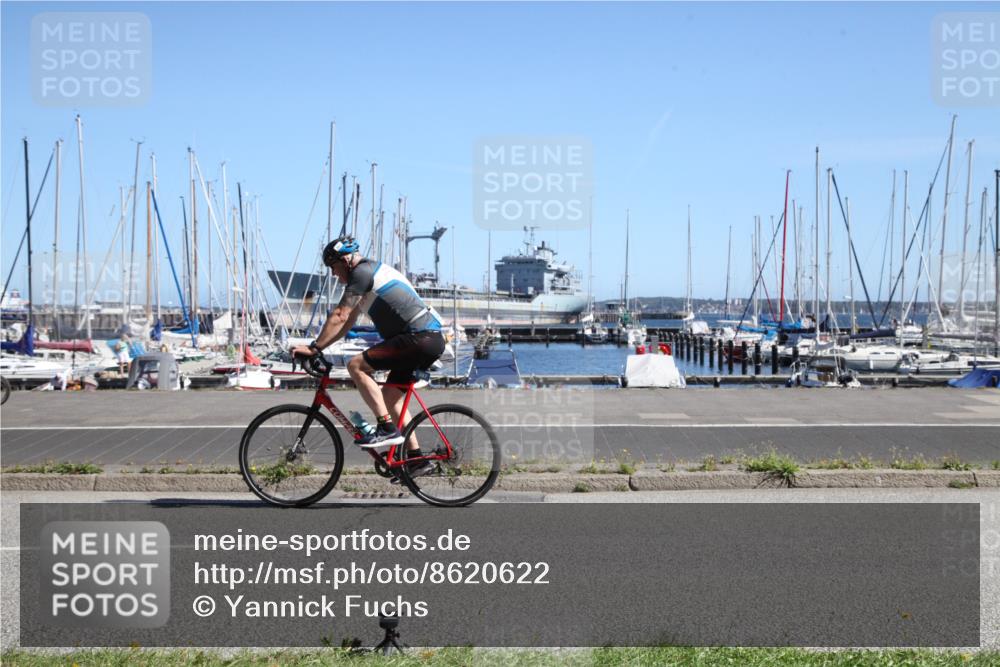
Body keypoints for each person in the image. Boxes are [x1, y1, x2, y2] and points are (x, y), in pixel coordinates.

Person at [290, 236, 445, 476]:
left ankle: (385, 428)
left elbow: (340, 314)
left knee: (356, 366)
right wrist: (320, 347)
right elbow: (345, 324)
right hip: (424, 340)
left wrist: (313, 349)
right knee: (391, 398)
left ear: (345, 260)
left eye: (333, 267)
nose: (333, 274)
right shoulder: (365, 279)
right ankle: (416, 460)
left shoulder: (362, 273)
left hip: (419, 337)